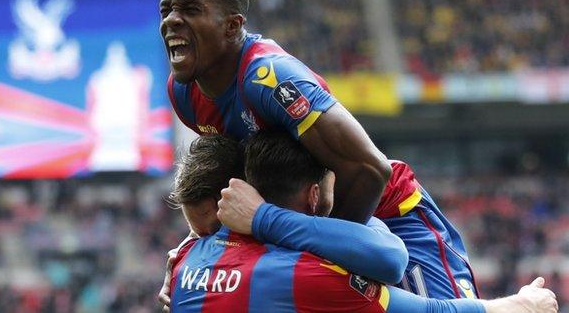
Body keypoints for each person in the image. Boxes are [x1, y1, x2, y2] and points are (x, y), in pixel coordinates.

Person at [159, 0, 472, 302]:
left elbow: (369, 170)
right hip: (300, 223)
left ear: (232, 26)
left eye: (190, 9)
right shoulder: (184, 93)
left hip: (387, 214)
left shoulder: (271, 79)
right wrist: (185, 257)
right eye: (166, 9)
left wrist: (329, 256)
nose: (171, 20)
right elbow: (231, 186)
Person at [168, 132, 558, 313]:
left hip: (398, 211)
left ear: (240, 194)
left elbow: (390, 256)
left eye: (209, 229)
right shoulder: (289, 268)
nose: (204, 241)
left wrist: (262, 218)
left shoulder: (285, 258)